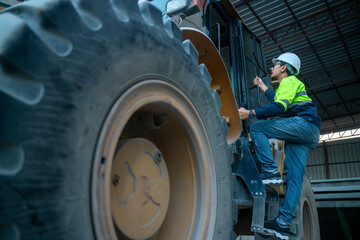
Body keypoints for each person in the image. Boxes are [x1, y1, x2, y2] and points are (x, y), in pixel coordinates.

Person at [239, 52, 320, 240]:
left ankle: (270, 170)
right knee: (294, 180)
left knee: (258, 127)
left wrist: (250, 112)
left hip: (303, 124)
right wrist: (262, 86)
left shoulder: (289, 81)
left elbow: (279, 107)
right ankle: (283, 224)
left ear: (283, 67)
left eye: (275, 64)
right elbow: (278, 100)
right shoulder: (289, 85)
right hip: (309, 132)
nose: (272, 67)